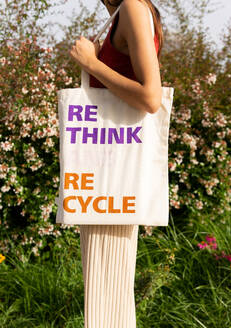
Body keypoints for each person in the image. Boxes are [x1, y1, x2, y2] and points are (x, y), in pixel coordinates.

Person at [68, 0, 164, 327]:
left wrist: (92, 65)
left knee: (106, 295)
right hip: (104, 172)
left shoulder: (133, 8)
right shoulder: (123, 12)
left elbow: (151, 97)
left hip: (112, 173)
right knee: (109, 293)